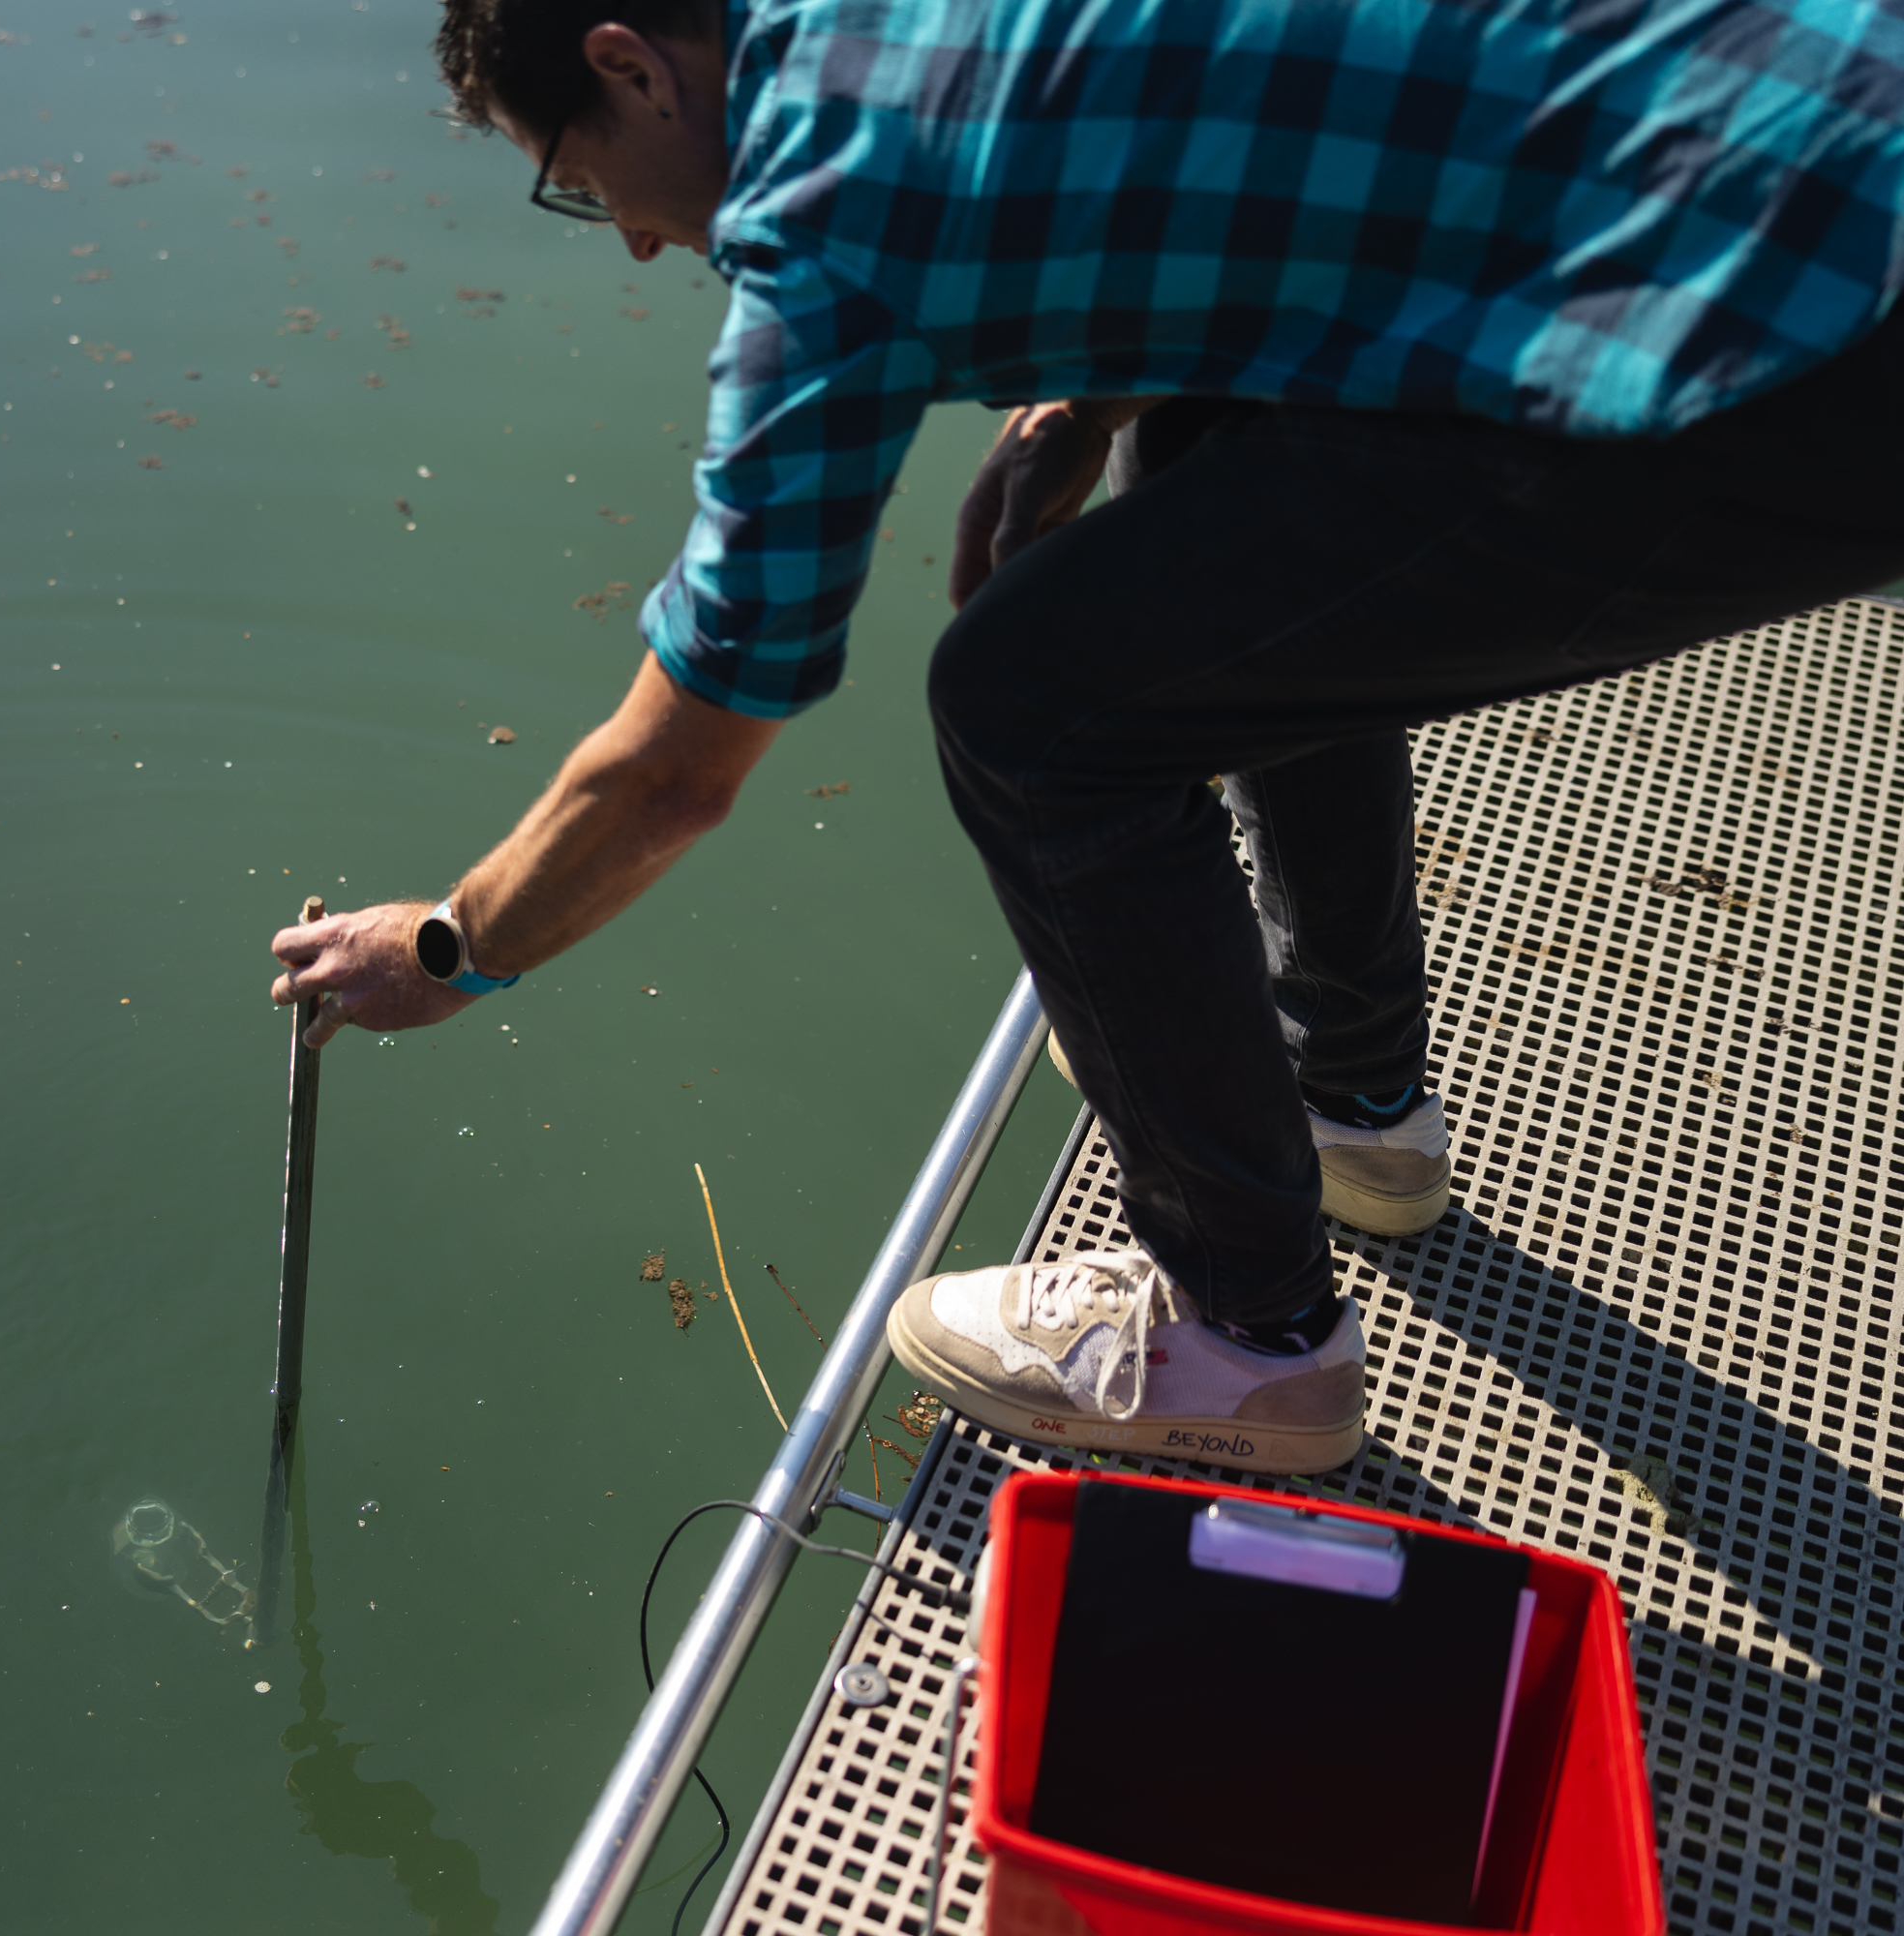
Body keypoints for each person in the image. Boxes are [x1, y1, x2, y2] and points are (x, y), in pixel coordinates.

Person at [270, 0, 1904, 1475]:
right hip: (1801, 109)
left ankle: (1250, 1340)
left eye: (580, 178)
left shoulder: (826, 211)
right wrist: (1083, 405)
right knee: (1199, 431)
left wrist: (451, 942)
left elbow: (678, 766)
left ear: (632, 64)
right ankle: (1354, 1109)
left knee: (1032, 706)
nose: (627, 241)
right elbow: (1234, 115)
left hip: (1786, 336)